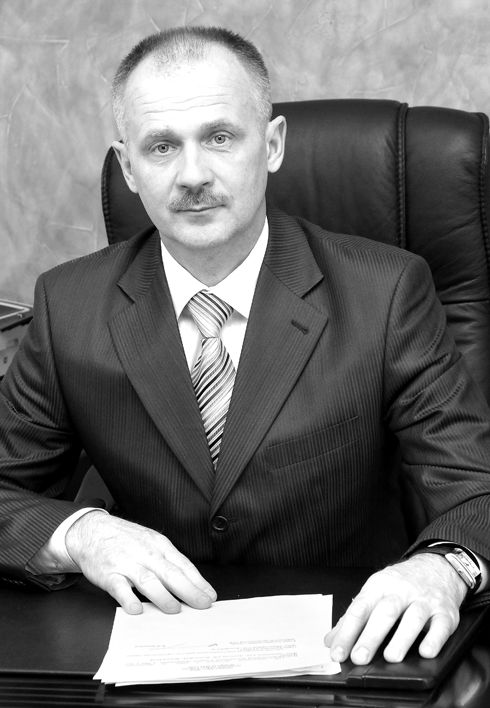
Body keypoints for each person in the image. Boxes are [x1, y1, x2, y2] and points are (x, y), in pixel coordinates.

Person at [0, 26, 490, 670]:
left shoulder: (386, 292)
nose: (193, 175)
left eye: (220, 137)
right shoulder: (69, 305)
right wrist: (80, 533)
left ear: (273, 144)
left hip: (352, 651)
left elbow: (475, 489)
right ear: (127, 167)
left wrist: (443, 567)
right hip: (150, 653)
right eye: (161, 147)